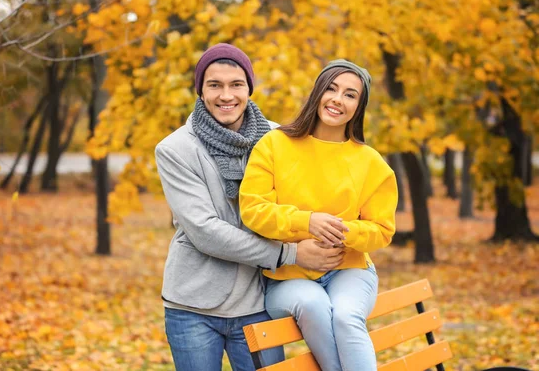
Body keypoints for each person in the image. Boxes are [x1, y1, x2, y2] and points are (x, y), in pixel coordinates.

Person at [155, 43, 346, 371]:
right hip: (194, 307)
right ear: (200, 91)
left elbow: (308, 193)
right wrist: (292, 254)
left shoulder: (277, 138)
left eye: (236, 84)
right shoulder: (175, 149)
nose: (225, 95)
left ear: (249, 89)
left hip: (258, 302)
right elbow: (205, 231)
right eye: (214, 85)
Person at [239, 59, 398, 371]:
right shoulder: (275, 144)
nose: (338, 99)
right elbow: (253, 211)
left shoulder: (371, 162)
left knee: (346, 315)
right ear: (317, 93)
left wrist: (340, 233)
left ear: (359, 106)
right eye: (332, 88)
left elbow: (382, 229)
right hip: (288, 276)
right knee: (313, 304)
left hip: (349, 270)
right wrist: (307, 222)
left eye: (350, 95)